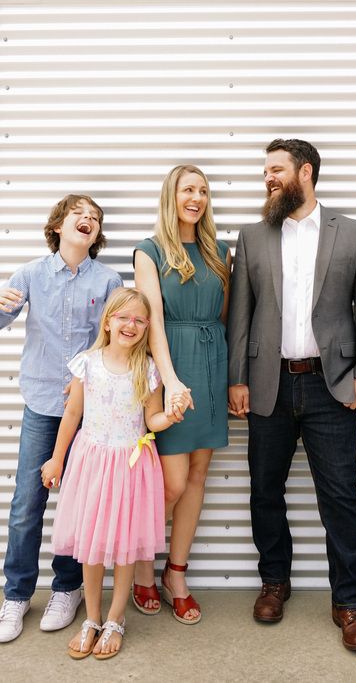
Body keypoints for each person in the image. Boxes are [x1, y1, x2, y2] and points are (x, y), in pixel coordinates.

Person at [227, 138, 356, 652]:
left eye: (276, 169)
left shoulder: (353, 233)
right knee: (264, 490)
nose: (268, 178)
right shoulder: (253, 236)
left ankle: (350, 602)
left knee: (340, 496)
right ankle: (274, 581)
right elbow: (241, 315)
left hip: (330, 386)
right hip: (267, 383)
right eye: (265, 171)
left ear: (306, 172)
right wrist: (237, 378)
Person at [40, 287, 190, 659]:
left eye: (139, 320)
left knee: (124, 548)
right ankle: (92, 618)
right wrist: (56, 459)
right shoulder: (87, 364)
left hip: (131, 467)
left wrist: (170, 416)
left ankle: (115, 618)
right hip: (91, 463)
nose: (131, 325)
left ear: (147, 327)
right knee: (91, 546)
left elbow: (151, 419)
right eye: (123, 317)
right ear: (108, 322)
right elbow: (72, 414)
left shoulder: (148, 369)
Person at [0, 195, 122, 644]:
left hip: (90, 412)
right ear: (58, 226)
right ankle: (16, 595)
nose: (88, 220)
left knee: (78, 504)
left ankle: (67, 588)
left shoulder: (108, 280)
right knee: (26, 504)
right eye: (78, 214)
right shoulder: (29, 274)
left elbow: (114, 341)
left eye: (95, 217)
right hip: (41, 404)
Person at [132, 165, 231, 622]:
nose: (197, 198)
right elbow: (151, 320)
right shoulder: (149, 251)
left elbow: (225, 316)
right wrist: (170, 380)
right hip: (170, 362)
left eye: (203, 191)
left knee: (196, 477)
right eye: (188, 189)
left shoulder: (219, 252)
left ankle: (176, 573)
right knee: (170, 482)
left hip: (211, 363)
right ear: (171, 196)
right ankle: (141, 569)